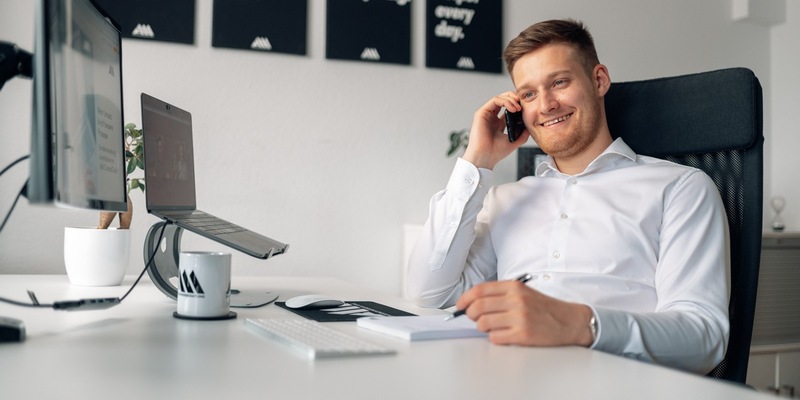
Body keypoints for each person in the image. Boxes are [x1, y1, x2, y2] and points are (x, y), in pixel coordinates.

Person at [405, 19, 729, 374]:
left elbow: (704, 338)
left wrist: (578, 324)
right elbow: (429, 292)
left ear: (599, 80)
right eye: (528, 94)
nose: (545, 105)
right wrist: (478, 160)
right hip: (505, 377)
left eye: (559, 82)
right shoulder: (506, 200)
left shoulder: (680, 188)